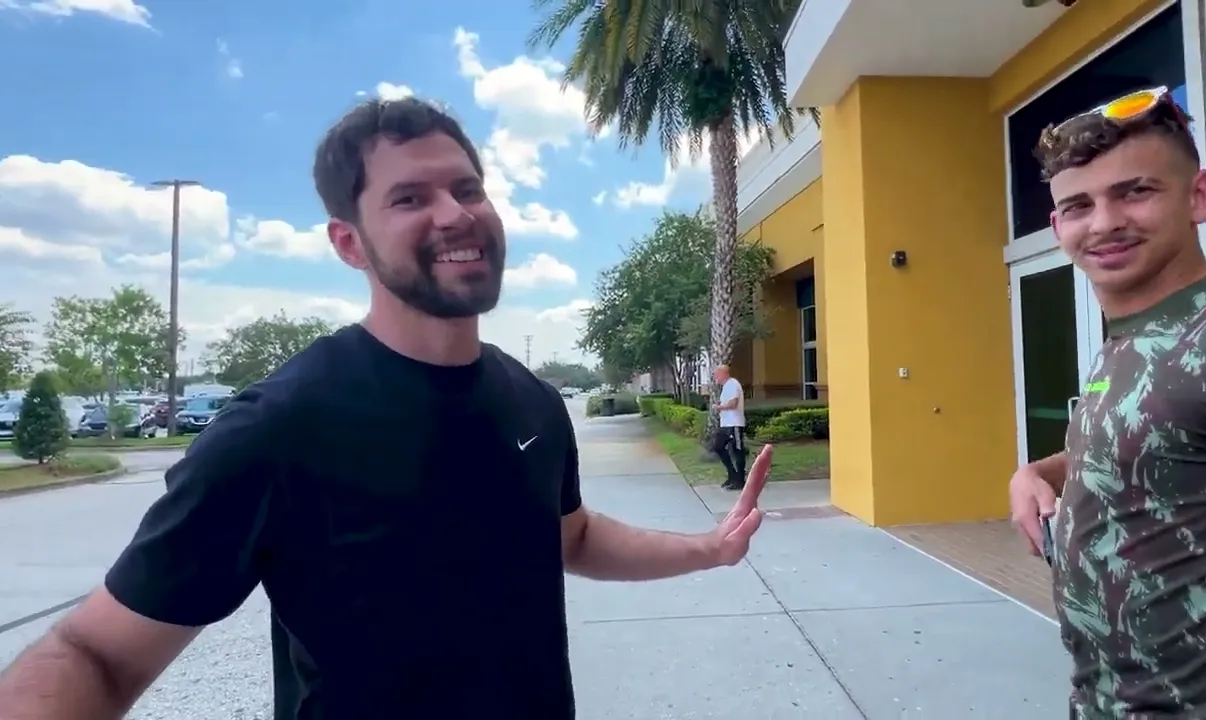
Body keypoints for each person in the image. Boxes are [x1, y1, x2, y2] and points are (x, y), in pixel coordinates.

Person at [0, 98, 775, 720]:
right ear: (349, 243)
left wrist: (707, 550)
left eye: (467, 189)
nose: (455, 213)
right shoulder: (277, 428)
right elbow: (95, 655)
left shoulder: (532, 400)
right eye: (410, 198)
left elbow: (570, 534)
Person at [1007, 86, 1206, 718]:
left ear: (1199, 196)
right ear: (1058, 227)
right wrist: (1038, 472)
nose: (1104, 222)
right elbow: (1161, 447)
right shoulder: (1125, 341)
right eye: (1078, 205)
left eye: (1135, 192)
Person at [711, 364, 748, 491]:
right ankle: (732, 475)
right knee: (718, 447)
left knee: (737, 451)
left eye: (717, 375)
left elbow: (733, 404)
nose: (715, 377)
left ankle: (740, 480)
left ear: (724, 374)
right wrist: (721, 405)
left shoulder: (733, 384)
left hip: (734, 424)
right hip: (725, 424)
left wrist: (719, 407)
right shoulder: (726, 387)